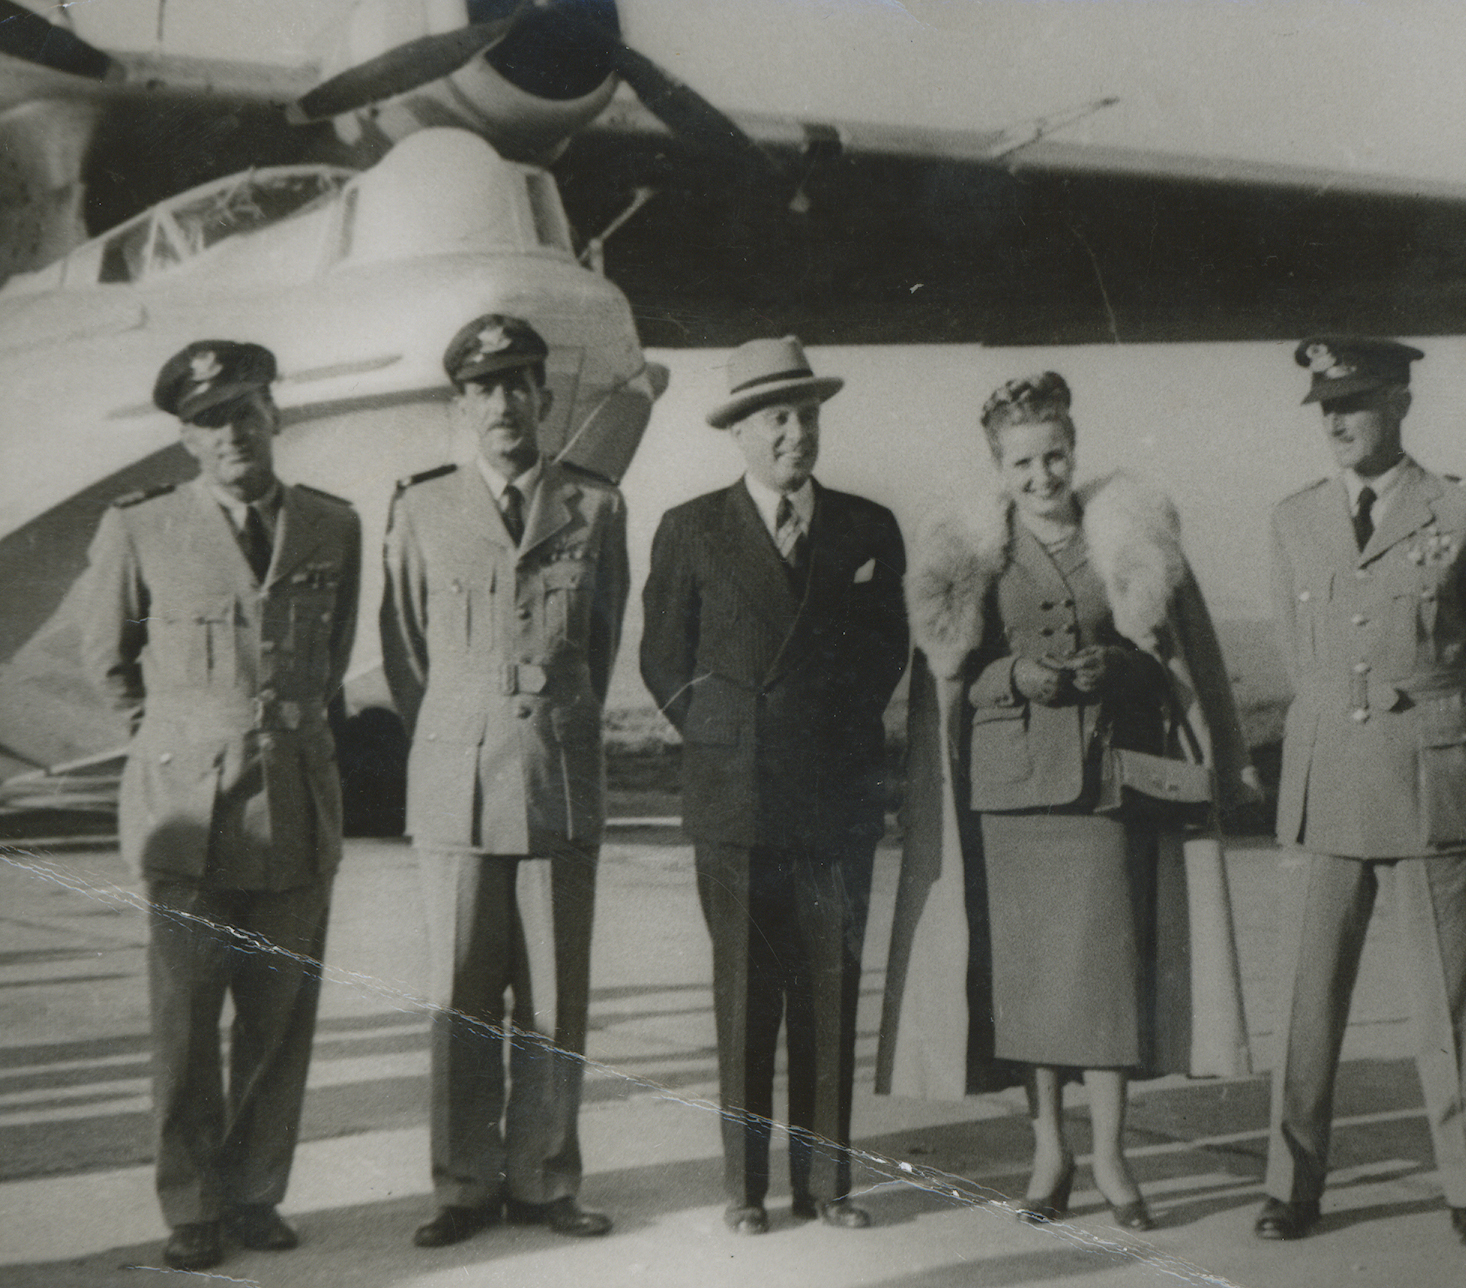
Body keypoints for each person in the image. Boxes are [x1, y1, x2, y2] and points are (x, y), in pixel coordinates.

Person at [876, 372, 1256, 1232]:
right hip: (1012, 800)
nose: (1042, 476)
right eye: (1022, 463)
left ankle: (1115, 1158)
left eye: (1054, 456)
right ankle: (1050, 1150)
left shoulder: (1124, 538)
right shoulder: (976, 553)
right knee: (1030, 992)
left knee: (1105, 986)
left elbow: (1167, 658)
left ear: (1073, 451)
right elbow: (956, 676)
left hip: (1104, 791)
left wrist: (1116, 669)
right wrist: (1019, 672)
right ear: (998, 468)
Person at [72, 341, 360, 1272]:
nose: (232, 432)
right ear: (187, 441)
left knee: (278, 1024)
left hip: (294, 809)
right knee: (188, 1025)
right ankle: (192, 1204)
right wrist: (173, 745)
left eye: (246, 409)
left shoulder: (329, 524)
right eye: (209, 420)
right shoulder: (140, 527)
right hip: (188, 817)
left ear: (276, 413)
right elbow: (107, 660)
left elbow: (330, 655)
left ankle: (254, 1195)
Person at [1258, 337, 1466, 1252]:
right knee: (1310, 1000)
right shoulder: (1294, 521)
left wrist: (1441, 741)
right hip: (1331, 778)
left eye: (1358, 400)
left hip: (1431, 780)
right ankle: (1290, 1185)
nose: (1336, 419)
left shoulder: (1464, 516)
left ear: (1401, 402)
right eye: (1325, 404)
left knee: (1452, 1004)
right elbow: (1305, 663)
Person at [639, 336, 908, 1235]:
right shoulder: (691, 528)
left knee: (829, 995)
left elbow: (885, 653)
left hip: (835, 795)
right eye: (778, 418)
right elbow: (662, 657)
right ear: (742, 432)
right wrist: (730, 737)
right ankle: (745, 1191)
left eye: (808, 414)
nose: (797, 434)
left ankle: (828, 1186)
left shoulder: (869, 528)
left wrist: (825, 734)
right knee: (746, 996)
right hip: (736, 799)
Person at [381, 314, 628, 1248]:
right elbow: (406, 657)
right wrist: (464, 727)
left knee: (557, 996)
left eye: (517, 384)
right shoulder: (422, 509)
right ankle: (461, 1186)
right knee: (461, 997)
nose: (501, 405)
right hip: (457, 784)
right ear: (463, 403)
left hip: (556, 777)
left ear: (541, 397)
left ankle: (545, 1178)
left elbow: (596, 650)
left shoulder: (596, 507)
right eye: (482, 389)